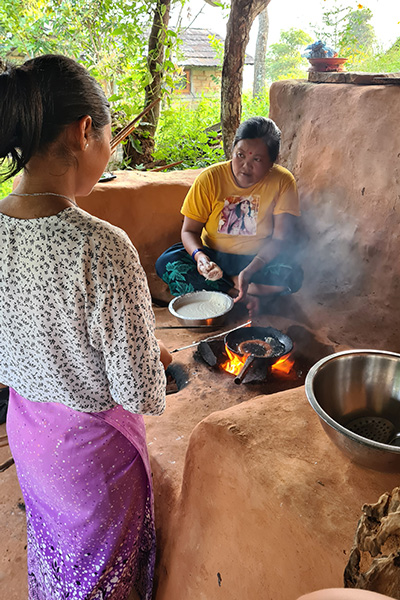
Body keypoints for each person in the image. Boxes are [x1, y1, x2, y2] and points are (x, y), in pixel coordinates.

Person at [0, 54, 171, 600]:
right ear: (82, 132)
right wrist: (155, 359)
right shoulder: (101, 247)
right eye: (108, 135)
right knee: (101, 579)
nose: (110, 150)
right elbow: (139, 391)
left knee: (58, 559)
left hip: (29, 435)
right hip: (93, 465)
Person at [155, 116, 303, 315]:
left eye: (257, 159)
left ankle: (222, 290)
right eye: (240, 155)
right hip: (213, 257)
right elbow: (189, 231)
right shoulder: (210, 178)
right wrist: (201, 259)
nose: (245, 165)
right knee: (168, 264)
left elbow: (279, 238)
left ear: (272, 162)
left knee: (292, 274)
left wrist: (250, 271)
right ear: (232, 150)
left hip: (259, 259)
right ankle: (238, 293)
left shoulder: (283, 181)